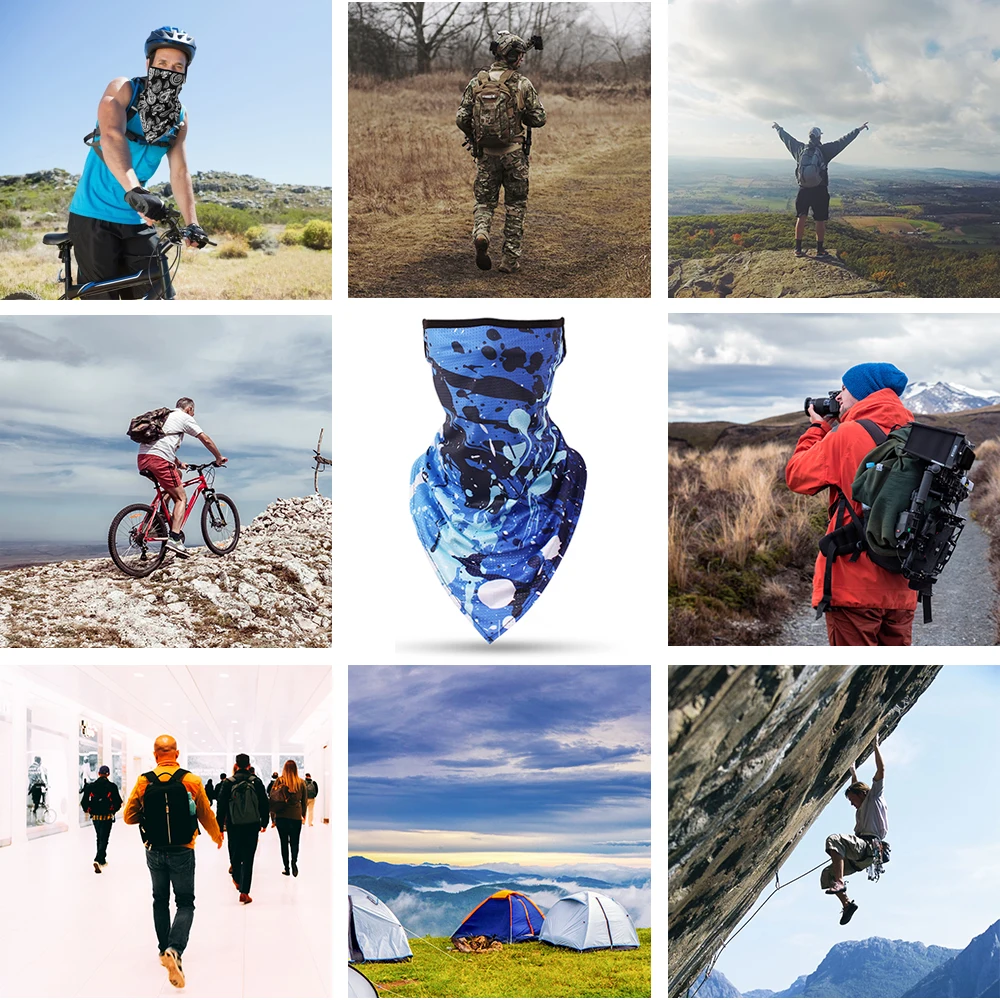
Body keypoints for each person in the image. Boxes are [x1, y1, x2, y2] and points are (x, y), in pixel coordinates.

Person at [65, 27, 210, 299]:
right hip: (93, 215)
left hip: (137, 217)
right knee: (101, 306)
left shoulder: (179, 117)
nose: (170, 71)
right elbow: (111, 135)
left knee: (157, 295)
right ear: (149, 64)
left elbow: (179, 171)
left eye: (178, 67)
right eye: (163, 64)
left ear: (185, 73)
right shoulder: (123, 89)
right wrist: (136, 190)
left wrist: (193, 222)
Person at [786, 363, 918, 645]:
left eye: (844, 389)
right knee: (887, 678)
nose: (838, 398)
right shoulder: (916, 436)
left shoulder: (846, 435)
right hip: (902, 585)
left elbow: (797, 477)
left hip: (854, 582)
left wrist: (818, 429)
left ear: (861, 391)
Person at [123, 734, 222, 990]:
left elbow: (128, 817)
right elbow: (204, 813)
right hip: (183, 850)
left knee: (159, 899)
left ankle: (162, 949)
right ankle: (174, 949)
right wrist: (216, 834)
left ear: (155, 755)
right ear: (176, 754)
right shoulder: (191, 780)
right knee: (185, 902)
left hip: (154, 850)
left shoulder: (144, 781)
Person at [456, 30, 546, 274]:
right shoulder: (521, 83)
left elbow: (461, 117)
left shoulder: (478, 82)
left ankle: (482, 232)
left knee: (485, 202)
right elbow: (539, 119)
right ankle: (509, 261)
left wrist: (474, 137)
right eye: (521, 56)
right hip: (514, 154)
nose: (523, 60)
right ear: (514, 57)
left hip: (486, 155)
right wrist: (521, 114)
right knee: (515, 205)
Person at [135, 397, 227, 558]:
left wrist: (178, 462)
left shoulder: (164, 417)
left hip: (143, 460)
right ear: (189, 409)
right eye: (194, 412)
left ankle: (160, 516)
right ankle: (175, 539)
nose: (193, 416)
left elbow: (160, 443)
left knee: (176, 476)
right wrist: (218, 457)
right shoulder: (184, 418)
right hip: (160, 461)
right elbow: (205, 439)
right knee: (181, 498)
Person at [772, 121, 869, 257]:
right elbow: (843, 141)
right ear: (819, 137)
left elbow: (787, 139)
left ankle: (798, 249)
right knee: (820, 221)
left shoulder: (799, 149)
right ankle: (820, 250)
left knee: (801, 218)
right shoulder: (825, 151)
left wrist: (778, 128)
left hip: (803, 190)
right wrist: (858, 130)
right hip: (820, 190)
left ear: (809, 136)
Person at [821, 729, 888, 925]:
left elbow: (881, 771)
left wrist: (876, 746)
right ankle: (847, 904)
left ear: (861, 794)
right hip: (863, 859)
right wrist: (852, 772)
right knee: (827, 874)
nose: (851, 803)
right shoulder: (861, 809)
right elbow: (855, 786)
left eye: (852, 799)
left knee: (834, 840)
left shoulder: (874, 797)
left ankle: (840, 883)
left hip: (869, 847)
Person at [214, 754, 269, 904]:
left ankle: (236, 878)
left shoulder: (228, 783)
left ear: (236, 765)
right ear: (249, 765)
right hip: (252, 825)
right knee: (249, 857)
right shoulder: (256, 781)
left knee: (235, 853)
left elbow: (221, 806)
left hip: (234, 824)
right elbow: (264, 803)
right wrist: (264, 822)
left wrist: (219, 827)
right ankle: (245, 892)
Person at [268, 760, 308, 877]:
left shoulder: (279, 781)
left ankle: (286, 867)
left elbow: (273, 799)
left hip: (281, 816)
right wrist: (303, 814)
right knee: (295, 842)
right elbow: (304, 801)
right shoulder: (301, 783)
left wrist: (273, 817)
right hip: (296, 816)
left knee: (284, 843)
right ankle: (294, 862)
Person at [81, 764, 123, 873]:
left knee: (99, 837)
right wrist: (112, 811)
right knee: (104, 838)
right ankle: (98, 859)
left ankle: (102, 860)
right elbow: (118, 802)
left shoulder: (90, 786)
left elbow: (84, 802)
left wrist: (89, 810)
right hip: (107, 817)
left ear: (98, 773)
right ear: (108, 774)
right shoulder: (112, 786)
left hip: (95, 817)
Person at [27, 756, 48, 822]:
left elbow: (29, 777)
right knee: (39, 802)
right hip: (37, 787)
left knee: (35, 802)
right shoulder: (38, 768)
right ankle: (36, 817)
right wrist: (45, 784)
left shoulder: (30, 767)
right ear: (39, 761)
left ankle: (34, 815)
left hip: (33, 787)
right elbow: (39, 778)